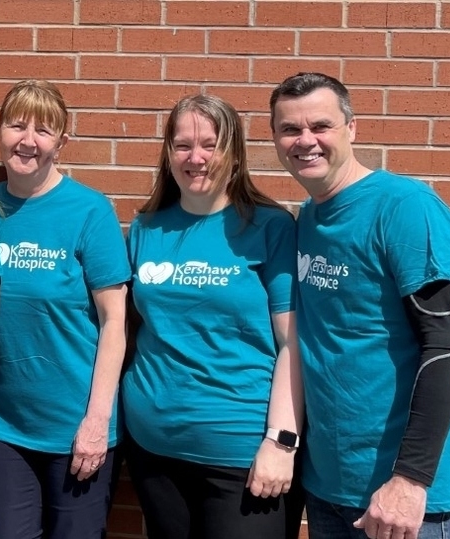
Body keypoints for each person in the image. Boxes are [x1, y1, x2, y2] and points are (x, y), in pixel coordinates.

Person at [270, 72, 450, 539]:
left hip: (404, 500)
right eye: (290, 129)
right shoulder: (310, 218)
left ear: (351, 128)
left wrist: (410, 479)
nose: (306, 141)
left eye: (320, 126)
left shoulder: (406, 207)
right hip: (329, 488)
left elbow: (445, 347)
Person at [122, 94, 304, 539]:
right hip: (153, 448)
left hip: (241, 451)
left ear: (234, 153)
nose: (196, 157)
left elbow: (293, 344)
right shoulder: (146, 228)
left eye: (210, 144)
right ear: (168, 154)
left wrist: (281, 443)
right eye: (183, 145)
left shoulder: (270, 227)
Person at [0, 80, 130, 538]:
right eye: (17, 125)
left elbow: (115, 322)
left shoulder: (89, 211)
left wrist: (97, 421)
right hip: (3, 427)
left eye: (44, 130)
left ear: (62, 143)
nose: (28, 140)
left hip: (76, 426)